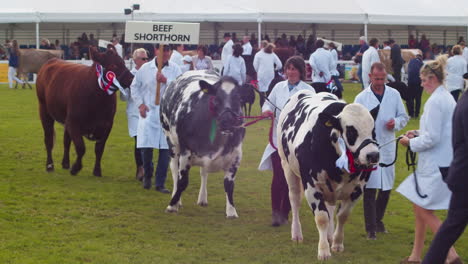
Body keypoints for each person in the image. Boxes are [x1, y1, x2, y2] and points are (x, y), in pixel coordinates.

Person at [396, 55, 461, 264]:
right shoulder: (447, 97)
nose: (422, 84)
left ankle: (451, 256)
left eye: (424, 80)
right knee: (421, 208)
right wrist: (418, 131)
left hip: (435, 164)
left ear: (432, 78)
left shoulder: (435, 101)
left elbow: (432, 138)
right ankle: (415, 256)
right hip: (442, 161)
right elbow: (439, 131)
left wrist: (409, 143)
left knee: (422, 209)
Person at [258, 56, 316, 226]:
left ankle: (285, 212)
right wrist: (267, 111)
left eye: (294, 69)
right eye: (288, 68)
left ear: (300, 71)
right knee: (278, 179)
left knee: (292, 180)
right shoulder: (278, 87)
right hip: (278, 141)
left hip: (298, 144)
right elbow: (267, 104)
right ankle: (276, 213)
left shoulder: (308, 91)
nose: (290, 72)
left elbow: (312, 115)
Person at [355, 62, 409, 240]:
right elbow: (354, 124)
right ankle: (370, 228)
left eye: (382, 78)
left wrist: (396, 122)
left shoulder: (394, 94)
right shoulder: (362, 98)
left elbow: (404, 117)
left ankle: (378, 221)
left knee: (386, 188)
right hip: (369, 148)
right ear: (370, 77)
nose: (379, 82)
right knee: (370, 188)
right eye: (377, 78)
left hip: (387, 146)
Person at [421, 75, 468, 264]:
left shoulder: (460, 99)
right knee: (450, 227)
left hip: (460, 173)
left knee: (451, 227)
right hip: (464, 175)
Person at [131, 44, 182, 192]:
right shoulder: (145, 69)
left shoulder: (175, 69)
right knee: (146, 147)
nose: (165, 54)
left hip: (167, 114)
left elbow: (179, 88)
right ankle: (147, 175)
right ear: (156, 51)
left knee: (165, 150)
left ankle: (160, 183)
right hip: (149, 113)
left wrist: (166, 80)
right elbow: (135, 86)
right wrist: (140, 104)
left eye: (168, 51)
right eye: (163, 51)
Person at [121, 48, 148, 181]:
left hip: (149, 111)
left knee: (147, 141)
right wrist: (122, 87)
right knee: (139, 141)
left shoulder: (150, 73)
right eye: (143, 59)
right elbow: (124, 97)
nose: (145, 61)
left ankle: (147, 167)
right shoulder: (130, 75)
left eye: (146, 58)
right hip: (134, 111)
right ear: (135, 60)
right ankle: (140, 168)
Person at [253, 41, 282, 107]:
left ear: (261, 46)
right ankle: (270, 108)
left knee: (262, 94)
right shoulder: (272, 54)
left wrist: (258, 71)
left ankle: (263, 109)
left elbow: (255, 66)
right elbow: (280, 65)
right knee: (270, 92)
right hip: (271, 75)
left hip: (261, 75)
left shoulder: (258, 54)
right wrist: (275, 69)